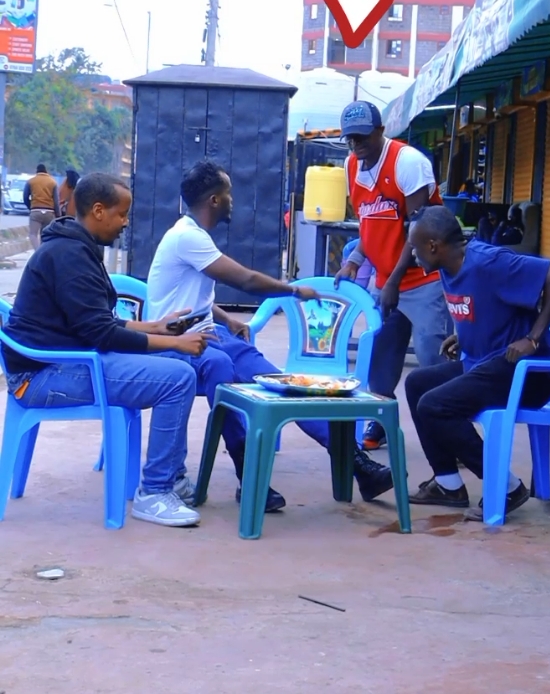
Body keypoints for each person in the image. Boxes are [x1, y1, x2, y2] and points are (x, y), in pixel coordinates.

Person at [146, 160, 395, 513]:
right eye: (228, 193)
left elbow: (191, 297)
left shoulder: (194, 236)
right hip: (178, 343)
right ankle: (249, 473)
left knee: (284, 384)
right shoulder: (186, 236)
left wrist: (228, 319)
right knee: (223, 374)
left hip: (210, 333)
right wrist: (293, 290)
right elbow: (245, 280)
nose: (233, 200)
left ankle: (356, 463)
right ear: (214, 200)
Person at [2, 172, 216, 529]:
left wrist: (156, 328)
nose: (125, 223)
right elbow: (101, 333)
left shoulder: (75, 247)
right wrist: (175, 341)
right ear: (98, 211)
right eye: (122, 214)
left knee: (177, 362)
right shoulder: (68, 255)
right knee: (179, 376)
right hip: (42, 376)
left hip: (63, 361)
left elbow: (95, 323)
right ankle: (156, 492)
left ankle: (170, 476)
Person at [404, 205, 550, 521]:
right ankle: (448, 484)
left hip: (528, 373)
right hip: (486, 363)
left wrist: (533, 338)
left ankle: (506, 487)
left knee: (435, 406)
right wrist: (464, 335)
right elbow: (481, 306)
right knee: (416, 383)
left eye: (414, 247)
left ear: (433, 246)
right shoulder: (446, 267)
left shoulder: (490, 262)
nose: (412, 255)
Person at [335, 100, 453, 451]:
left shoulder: (408, 162)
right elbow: (371, 224)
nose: (356, 145)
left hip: (425, 278)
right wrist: (355, 260)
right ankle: (382, 418)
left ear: (381, 131)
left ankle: (451, 430)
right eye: (350, 139)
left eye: (362, 137)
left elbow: (419, 228)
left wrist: (395, 281)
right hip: (388, 279)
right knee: (382, 356)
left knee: (434, 360)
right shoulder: (351, 166)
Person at [23, 164, 61, 250]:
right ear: (46, 171)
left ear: (37, 171)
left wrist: (31, 207)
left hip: (35, 211)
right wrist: (58, 216)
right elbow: (56, 201)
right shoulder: (53, 182)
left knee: (33, 234)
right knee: (45, 235)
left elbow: (25, 197)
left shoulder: (31, 181)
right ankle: (43, 252)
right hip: (49, 213)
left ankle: (37, 251)